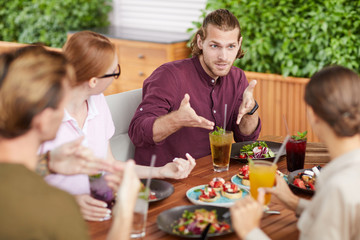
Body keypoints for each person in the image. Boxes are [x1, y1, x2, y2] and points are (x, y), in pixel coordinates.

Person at [38, 30, 196, 221]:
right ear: (94, 81)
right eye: (115, 71)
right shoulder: (40, 115)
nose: (115, 77)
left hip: (102, 213)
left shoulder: (97, 102)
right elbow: (19, 179)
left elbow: (110, 165)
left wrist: (161, 171)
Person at [0, 45, 139, 239]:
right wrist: (124, 210)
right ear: (45, 119)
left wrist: (47, 163)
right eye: (62, 103)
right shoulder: (58, 209)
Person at [230, 65, 360, 240]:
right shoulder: (345, 173)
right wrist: (293, 202)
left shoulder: (338, 187)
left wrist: (249, 230)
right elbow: (340, 219)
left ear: (313, 114)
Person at [129, 9, 261, 167]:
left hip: (210, 178)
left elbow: (246, 140)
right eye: (214, 46)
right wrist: (176, 120)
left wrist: (251, 110)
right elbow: (138, 133)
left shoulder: (237, 77)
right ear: (200, 42)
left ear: (239, 44)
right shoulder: (169, 75)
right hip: (164, 181)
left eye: (231, 46)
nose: (223, 57)